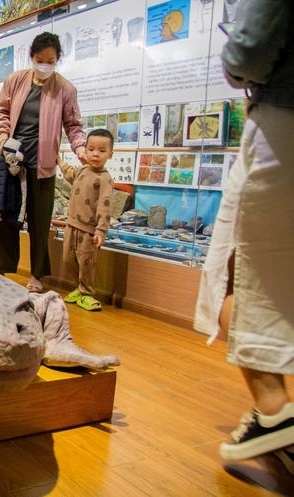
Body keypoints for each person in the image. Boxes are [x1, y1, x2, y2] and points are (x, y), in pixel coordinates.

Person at [193, 0, 294, 466]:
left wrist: (235, 59)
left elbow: (249, 49)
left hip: (282, 122)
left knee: (234, 268)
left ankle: (274, 411)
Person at [0, 31, 86, 293]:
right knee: (4, 215)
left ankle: (36, 275)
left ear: (57, 60)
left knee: (39, 221)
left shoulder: (65, 89)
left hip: (42, 165)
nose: (45, 64)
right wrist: (2, 136)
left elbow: (74, 125)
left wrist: (80, 149)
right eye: (40, 59)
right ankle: (0, 269)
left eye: (51, 60)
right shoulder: (15, 80)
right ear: (31, 56)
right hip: (12, 160)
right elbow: (1, 111)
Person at [57, 129, 114, 312]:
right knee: (68, 260)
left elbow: (105, 207)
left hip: (88, 230)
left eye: (101, 150)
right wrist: (58, 161)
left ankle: (87, 293)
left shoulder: (105, 179)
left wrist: (100, 230)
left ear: (110, 154)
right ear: (86, 151)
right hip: (71, 225)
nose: (96, 154)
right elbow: (70, 173)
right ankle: (78, 288)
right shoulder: (82, 169)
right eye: (91, 149)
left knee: (86, 263)